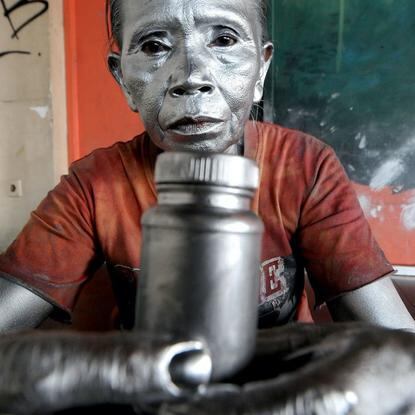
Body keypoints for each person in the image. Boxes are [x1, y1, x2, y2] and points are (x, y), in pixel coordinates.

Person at [0, 0, 413, 333]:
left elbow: (394, 343)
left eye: (224, 39)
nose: (192, 75)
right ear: (123, 79)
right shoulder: (95, 185)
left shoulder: (304, 167)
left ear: (261, 70)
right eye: (154, 46)